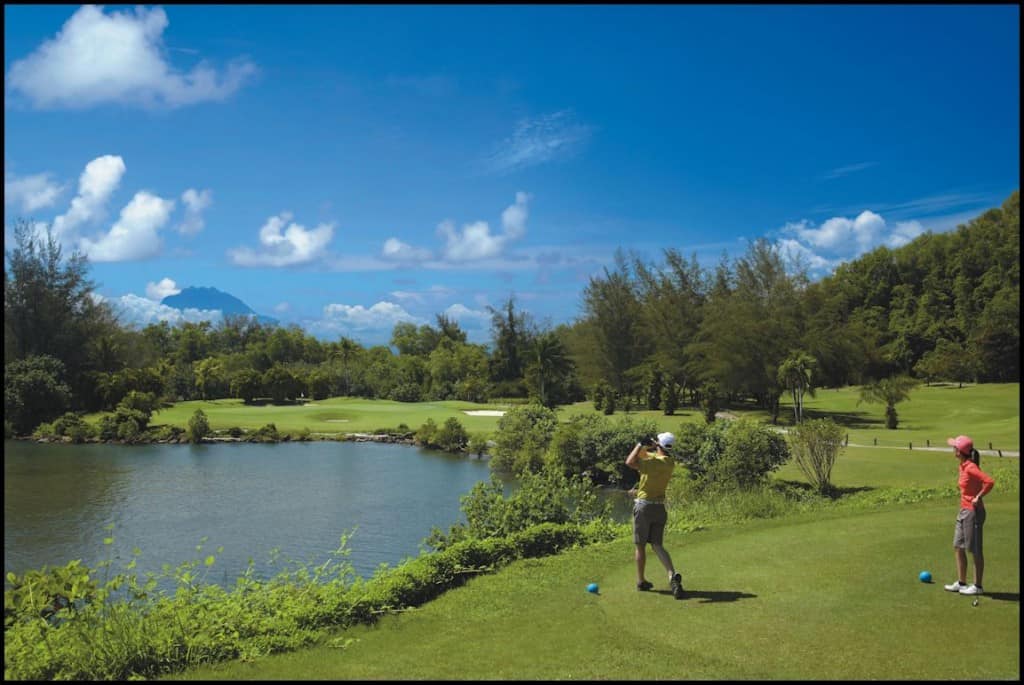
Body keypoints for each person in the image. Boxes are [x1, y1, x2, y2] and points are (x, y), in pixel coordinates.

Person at [626, 432, 684, 599]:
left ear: (659, 446)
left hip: (644, 507)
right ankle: (672, 575)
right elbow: (646, 455)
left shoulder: (652, 464)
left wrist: (639, 444)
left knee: (640, 545)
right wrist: (650, 445)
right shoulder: (670, 462)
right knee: (657, 545)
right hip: (659, 508)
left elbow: (630, 461)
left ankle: (641, 581)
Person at [943, 435, 995, 596]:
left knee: (974, 549)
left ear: (960, 451)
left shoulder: (971, 467)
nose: (952, 449)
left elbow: (989, 481)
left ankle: (978, 586)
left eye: (954, 447)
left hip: (973, 512)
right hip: (963, 511)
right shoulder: (963, 466)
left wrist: (978, 496)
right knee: (958, 546)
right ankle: (961, 582)